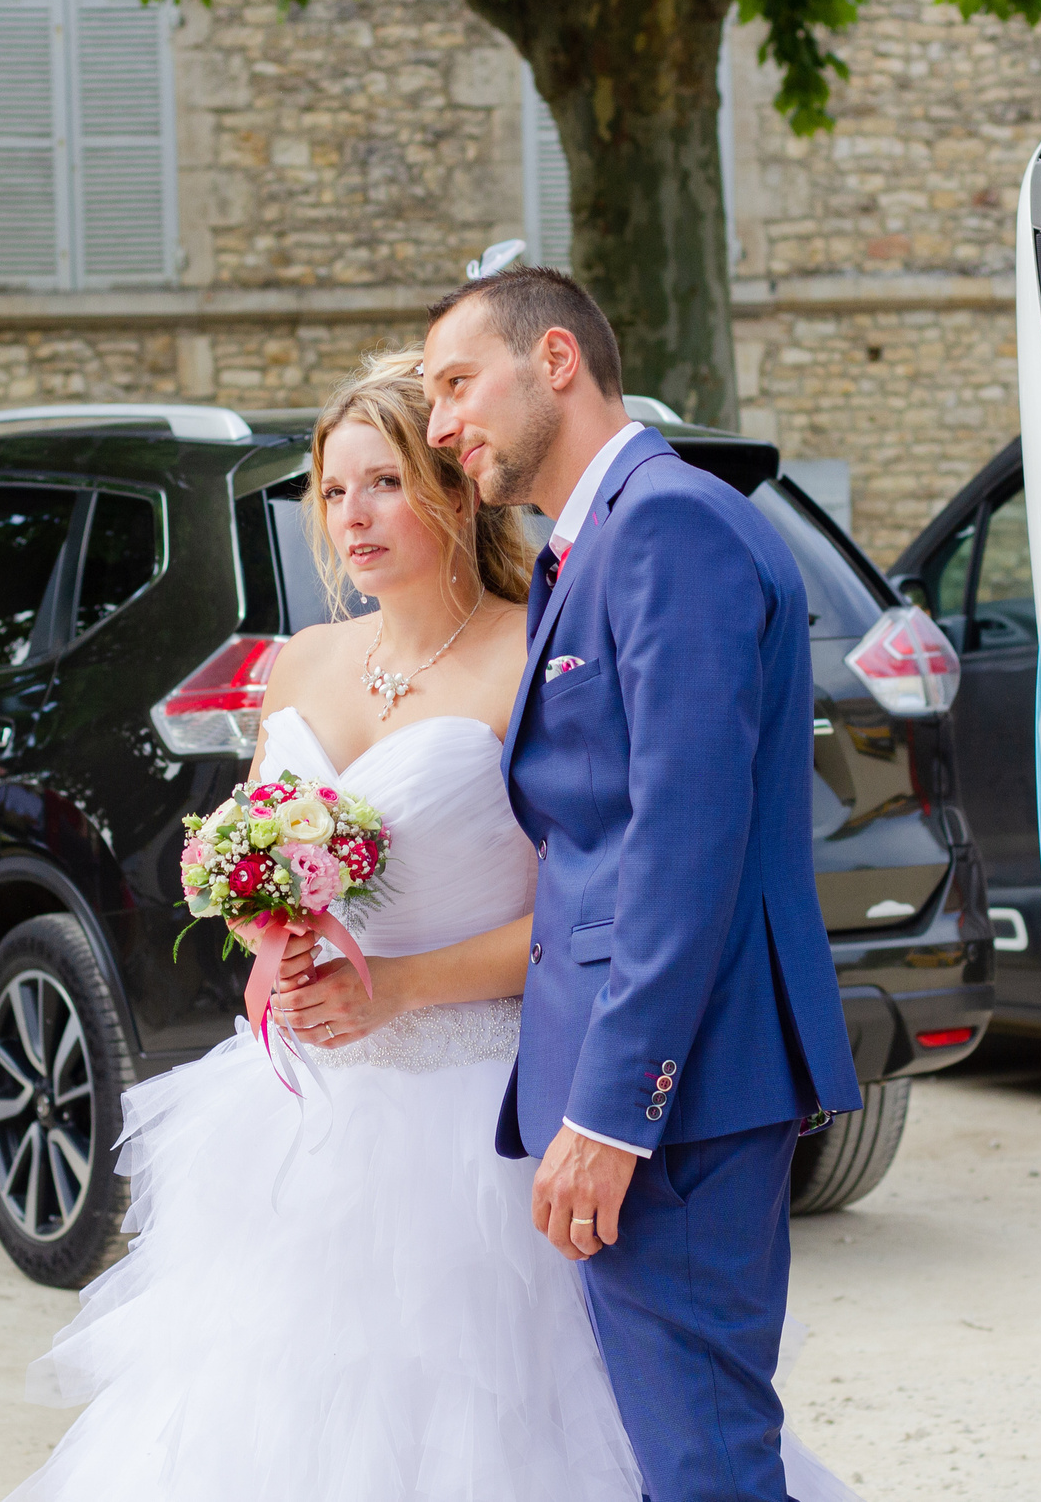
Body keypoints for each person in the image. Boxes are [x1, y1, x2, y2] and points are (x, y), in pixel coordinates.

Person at [8, 353, 858, 1499]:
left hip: (483, 1103)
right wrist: (276, 939)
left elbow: (588, 903)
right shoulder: (296, 664)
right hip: (305, 1112)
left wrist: (398, 988)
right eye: (332, 489)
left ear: (455, 491)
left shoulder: (538, 654)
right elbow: (264, 863)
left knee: (518, 1425)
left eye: (386, 483)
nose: (353, 517)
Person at [418, 264, 865, 1502]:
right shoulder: (592, 542)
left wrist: (614, 1114)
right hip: (660, 1087)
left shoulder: (665, 527)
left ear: (555, 359)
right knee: (682, 1457)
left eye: (459, 384)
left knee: (705, 1464)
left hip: (682, 1096)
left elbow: (681, 842)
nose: (442, 424)